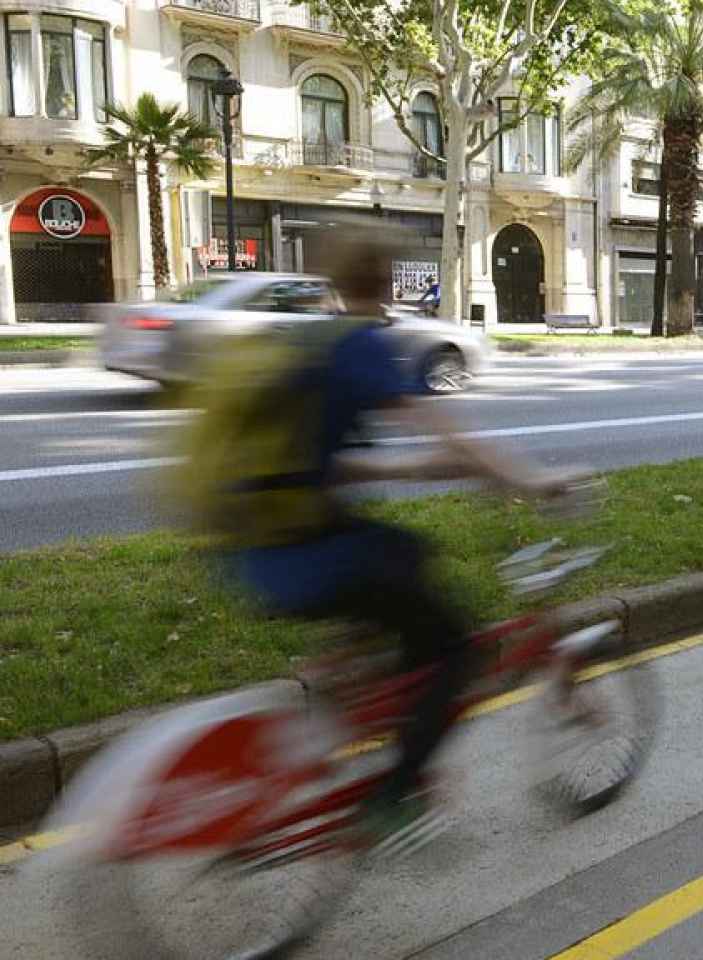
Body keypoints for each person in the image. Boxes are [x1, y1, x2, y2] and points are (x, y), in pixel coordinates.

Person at [177, 226, 578, 858]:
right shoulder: (363, 347)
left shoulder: (308, 340)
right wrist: (535, 479)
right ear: (388, 279)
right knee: (454, 648)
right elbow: (449, 432)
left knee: (408, 556)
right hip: (305, 557)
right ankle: (396, 796)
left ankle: (338, 686)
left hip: (253, 546)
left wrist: (424, 471)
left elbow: (327, 466)